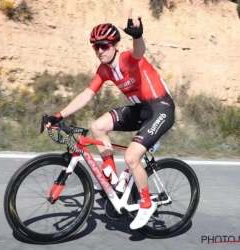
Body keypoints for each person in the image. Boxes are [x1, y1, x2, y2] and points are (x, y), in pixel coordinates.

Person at [45, 8, 175, 230]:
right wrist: (59, 115)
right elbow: (86, 94)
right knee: (97, 126)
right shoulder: (104, 69)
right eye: (96, 46)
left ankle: (145, 204)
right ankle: (112, 182)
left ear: (115, 45)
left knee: (132, 157)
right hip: (140, 109)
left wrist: (137, 36)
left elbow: (139, 51)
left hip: (161, 109)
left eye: (104, 45)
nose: (99, 50)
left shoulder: (128, 59)